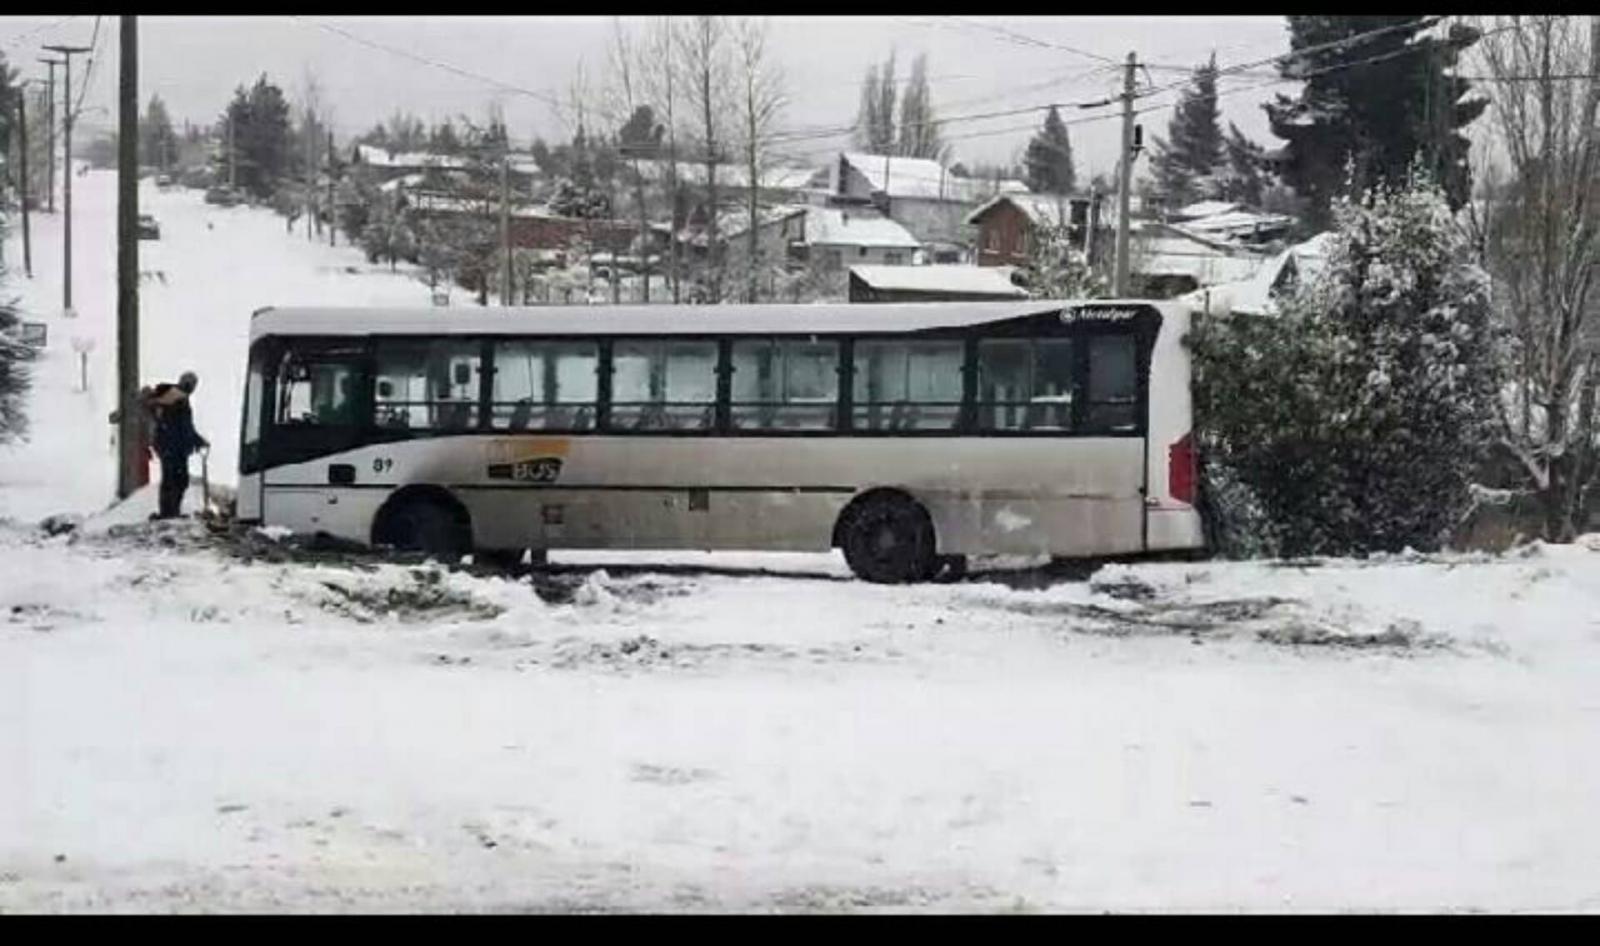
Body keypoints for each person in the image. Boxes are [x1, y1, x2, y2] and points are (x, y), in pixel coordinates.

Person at [145, 371, 209, 519]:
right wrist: (196, 441)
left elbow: (182, 427)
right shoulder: (179, 399)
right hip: (175, 448)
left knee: (171, 479)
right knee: (177, 480)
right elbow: (184, 427)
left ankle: (169, 511)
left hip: (168, 446)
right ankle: (170, 513)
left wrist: (196, 441)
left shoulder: (169, 397)